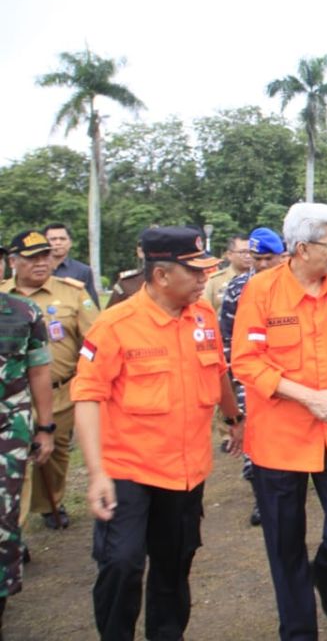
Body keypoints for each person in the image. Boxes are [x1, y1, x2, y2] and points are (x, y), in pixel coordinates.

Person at [73, 226, 244, 641]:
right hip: (127, 469)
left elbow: (217, 370)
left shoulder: (202, 316)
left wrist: (233, 417)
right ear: (162, 275)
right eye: (196, 272)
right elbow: (87, 397)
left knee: (174, 562)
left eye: (207, 272)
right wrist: (96, 474)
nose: (205, 281)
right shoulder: (115, 325)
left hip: (185, 470)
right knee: (122, 562)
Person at [231, 204, 327, 637]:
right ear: (301, 247)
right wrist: (305, 396)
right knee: (285, 545)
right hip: (279, 439)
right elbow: (246, 362)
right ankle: (298, 630)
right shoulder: (261, 291)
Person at [0, 230, 98, 531]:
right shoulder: (5, 294)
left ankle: (49, 502)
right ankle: (15, 526)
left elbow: (95, 340)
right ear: (14, 262)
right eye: (33, 259)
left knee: (53, 454)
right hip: (12, 396)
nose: (41, 263)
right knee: (17, 465)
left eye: (46, 256)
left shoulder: (73, 292)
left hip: (60, 391)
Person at [0, 239, 55, 639]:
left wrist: (45, 429)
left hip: (8, 434)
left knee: (4, 523)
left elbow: (38, 373)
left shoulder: (22, 313)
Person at [218, 227, 287, 527]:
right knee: (254, 438)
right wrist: (232, 379)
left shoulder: (291, 286)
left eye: (267, 258)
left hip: (286, 373)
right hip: (250, 373)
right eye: (256, 258)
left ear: (282, 256)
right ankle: (263, 497)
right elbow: (227, 337)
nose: (260, 264)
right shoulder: (237, 289)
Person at [43, 222, 99, 304]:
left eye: (63, 239)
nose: (58, 243)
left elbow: (91, 303)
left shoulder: (83, 270)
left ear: (70, 243)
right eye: (53, 239)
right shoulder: (37, 267)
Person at [202, 234, 250, 310]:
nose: (248, 256)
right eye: (242, 252)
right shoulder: (214, 281)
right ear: (229, 255)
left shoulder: (260, 279)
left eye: (251, 252)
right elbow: (203, 310)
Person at [107, 237, 148, 309]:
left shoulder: (174, 282)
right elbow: (110, 317)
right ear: (140, 251)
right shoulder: (127, 284)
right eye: (152, 250)